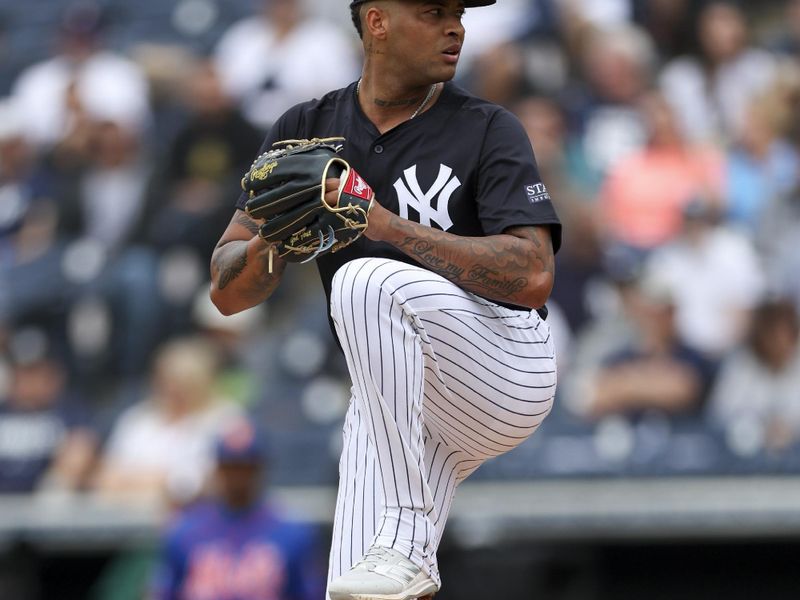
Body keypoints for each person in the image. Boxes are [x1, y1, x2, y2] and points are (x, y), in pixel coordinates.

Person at [209, 2, 561, 599]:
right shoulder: (306, 127)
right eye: (433, 12)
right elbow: (225, 290)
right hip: (393, 395)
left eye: (458, 13)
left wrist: (387, 226)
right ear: (377, 21)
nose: (456, 27)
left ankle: (407, 536)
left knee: (363, 280)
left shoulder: (486, 126)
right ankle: (402, 551)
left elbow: (533, 275)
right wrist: (279, 233)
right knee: (357, 588)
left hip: (501, 364)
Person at [149, 417, 324, 600]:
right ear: (217, 468)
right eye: (231, 467)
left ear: (261, 468)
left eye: (245, 467)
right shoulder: (185, 531)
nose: (238, 477)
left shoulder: (293, 533)